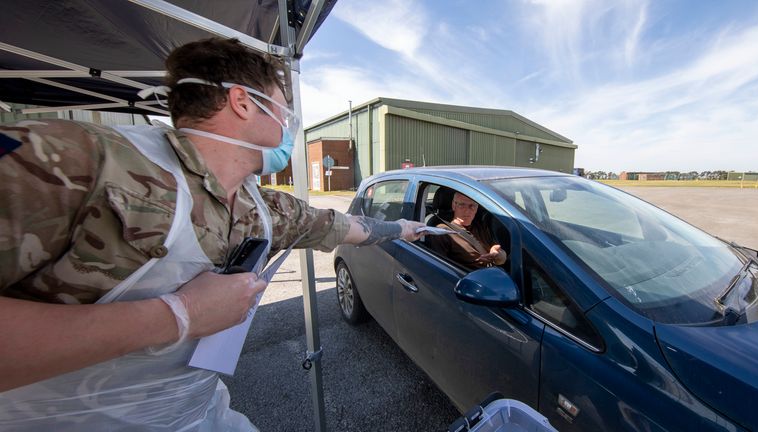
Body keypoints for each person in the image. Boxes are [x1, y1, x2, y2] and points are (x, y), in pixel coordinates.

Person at [0, 37, 423, 431]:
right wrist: (178, 315)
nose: (288, 125)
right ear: (242, 102)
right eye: (282, 109)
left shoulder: (263, 208)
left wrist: (404, 228)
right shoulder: (73, 161)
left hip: (197, 414)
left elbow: (345, 227)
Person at [430, 192, 507, 269]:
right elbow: (439, 269)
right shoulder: (443, 231)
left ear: (477, 208)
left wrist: (499, 256)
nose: (467, 211)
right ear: (454, 205)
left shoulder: (480, 226)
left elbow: (501, 259)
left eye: (472, 206)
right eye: (462, 205)